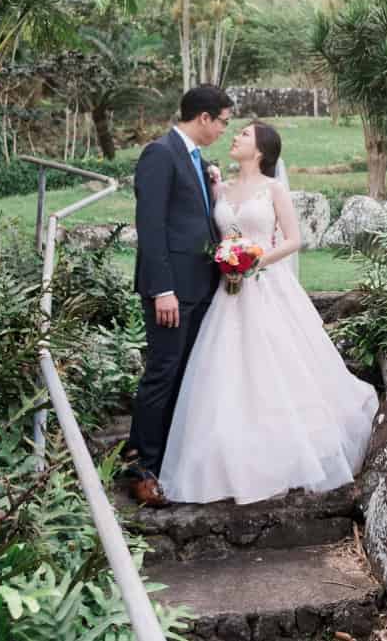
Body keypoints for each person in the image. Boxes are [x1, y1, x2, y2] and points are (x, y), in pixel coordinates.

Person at [158, 120, 379, 505]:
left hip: (266, 284)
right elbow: (219, 231)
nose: (236, 137)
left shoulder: (274, 189)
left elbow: (294, 240)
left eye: (243, 134)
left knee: (279, 362)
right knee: (226, 369)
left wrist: (254, 260)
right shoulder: (221, 189)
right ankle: (226, 455)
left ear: (260, 149)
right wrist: (229, 257)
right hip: (229, 293)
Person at [121, 85, 233, 508]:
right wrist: (162, 289)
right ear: (203, 117)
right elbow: (151, 229)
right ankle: (141, 468)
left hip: (201, 286)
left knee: (186, 374)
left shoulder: (197, 161)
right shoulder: (161, 154)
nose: (224, 129)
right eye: (223, 120)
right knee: (163, 372)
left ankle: (161, 457)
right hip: (171, 292)